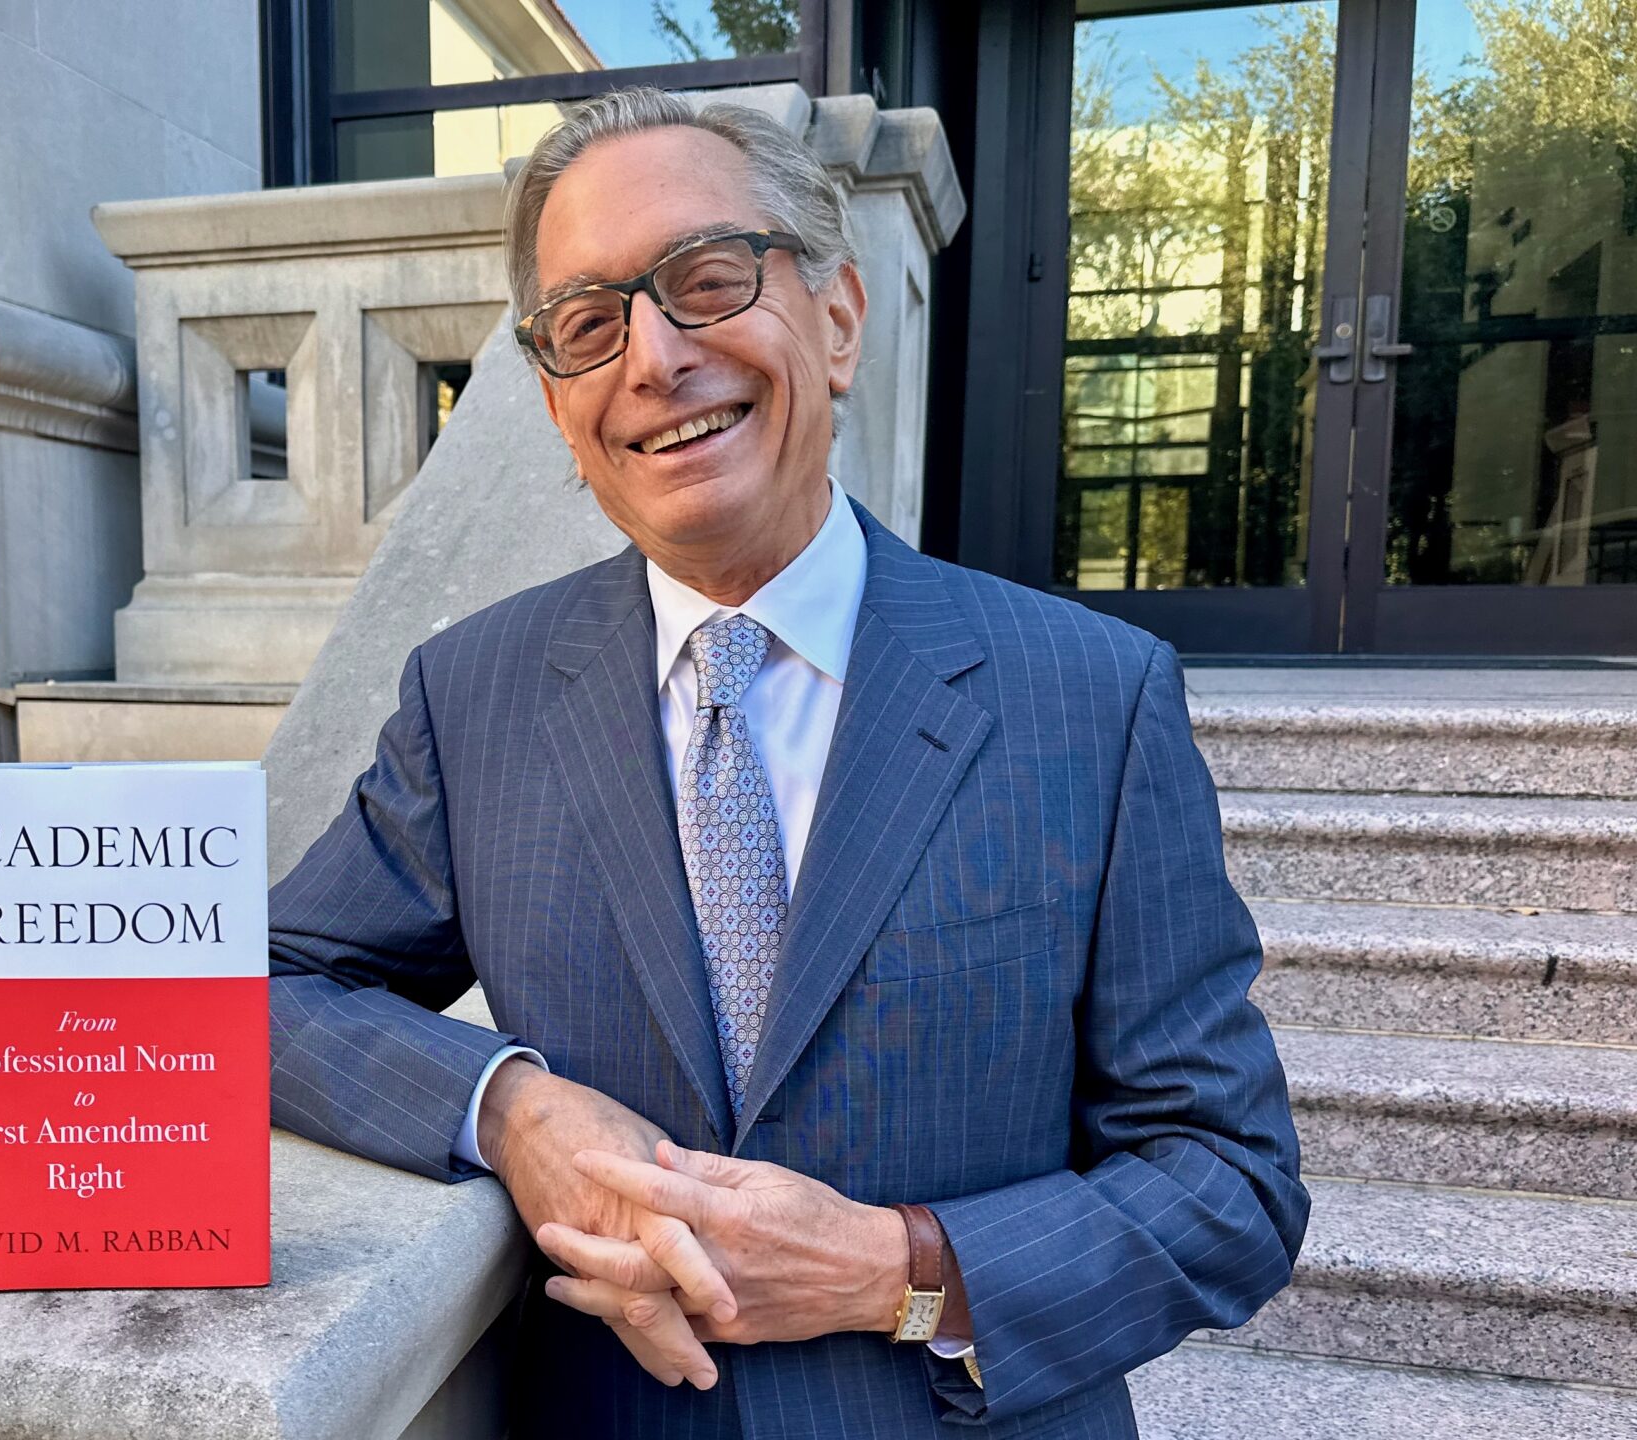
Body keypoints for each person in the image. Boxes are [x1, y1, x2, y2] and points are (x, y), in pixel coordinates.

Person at [267, 86, 1306, 1439]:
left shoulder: (1088, 699)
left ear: (837, 320)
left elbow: (1229, 1183)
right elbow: (264, 984)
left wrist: (899, 1277)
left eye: (708, 279)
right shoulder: (478, 694)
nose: (654, 356)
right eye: (590, 324)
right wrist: (508, 1109)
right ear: (560, 409)